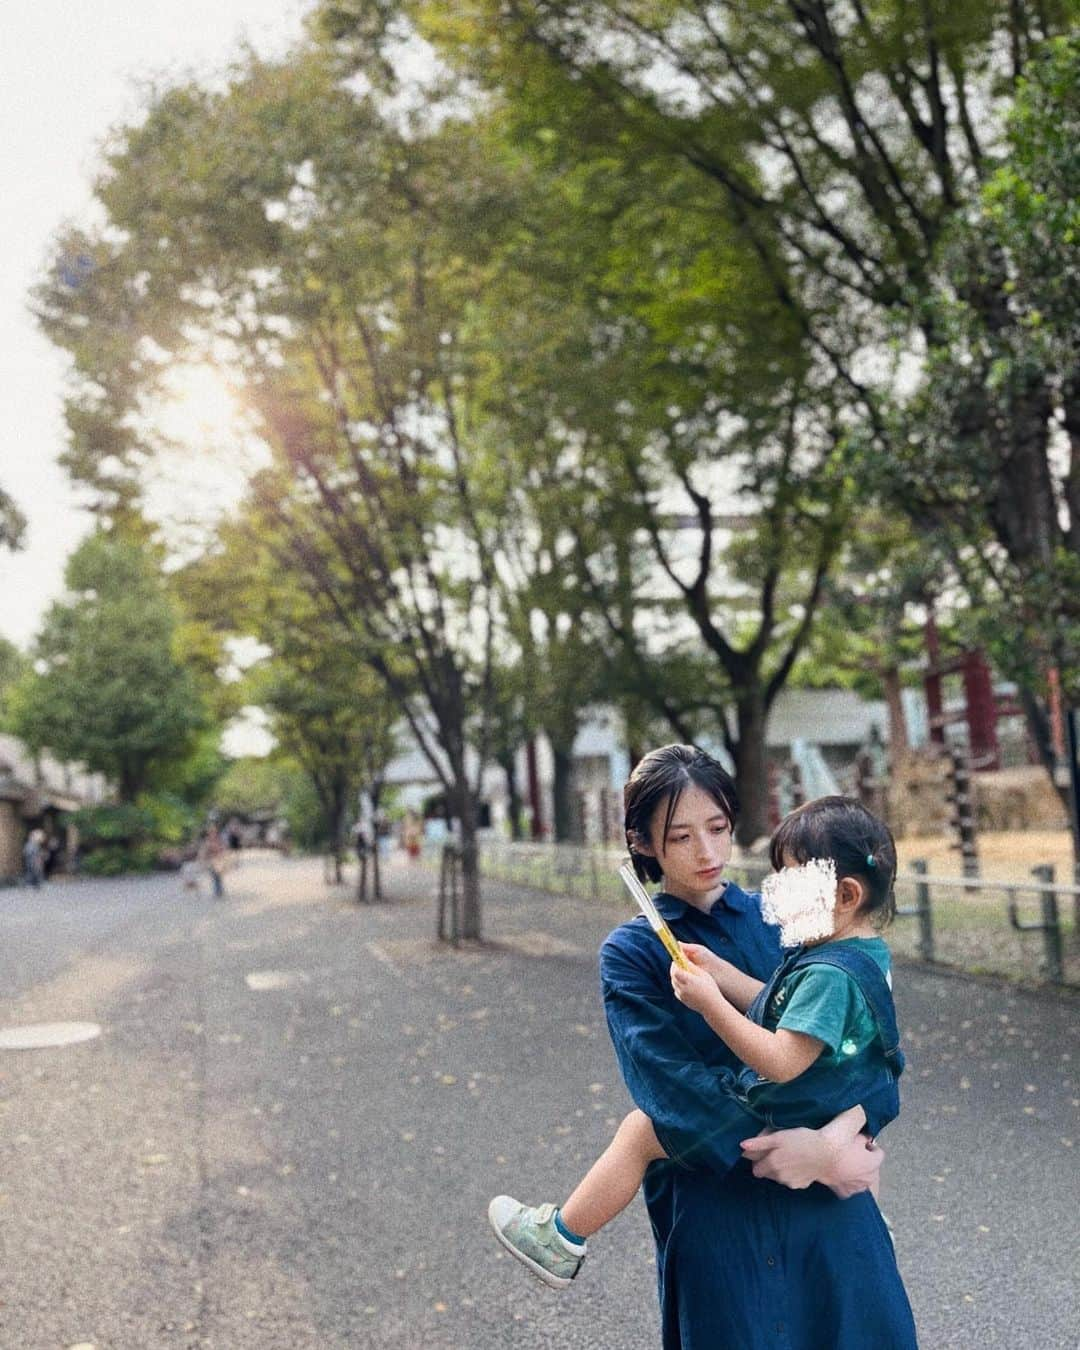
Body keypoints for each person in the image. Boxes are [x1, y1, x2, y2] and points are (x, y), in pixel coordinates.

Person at [490, 745, 917, 1348]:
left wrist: (835, 1144)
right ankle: (562, 1237)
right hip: (719, 1220)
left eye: (717, 828)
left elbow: (862, 1059)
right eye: (682, 835)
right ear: (644, 844)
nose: (708, 852)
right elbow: (675, 1095)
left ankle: (560, 1234)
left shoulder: (795, 923)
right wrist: (800, 1148)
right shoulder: (633, 954)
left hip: (829, 1211)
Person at [197, 825, 226, 898]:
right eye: (211, 832)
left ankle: (219, 891)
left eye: (214, 831)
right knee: (215, 876)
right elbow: (203, 851)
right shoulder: (207, 841)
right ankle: (218, 891)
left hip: (218, 860)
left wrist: (222, 856)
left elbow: (222, 849)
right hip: (210, 861)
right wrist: (201, 859)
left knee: (218, 876)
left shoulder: (219, 840)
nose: (213, 833)